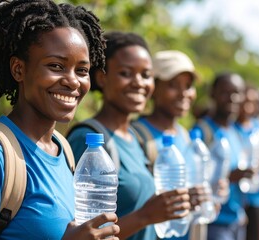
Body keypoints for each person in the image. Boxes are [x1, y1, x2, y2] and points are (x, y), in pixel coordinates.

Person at [0, 1, 120, 239]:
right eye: (56, 66)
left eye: (82, 70)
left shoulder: (64, 151)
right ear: (18, 69)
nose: (73, 81)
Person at [66, 31, 191, 240]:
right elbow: (83, 234)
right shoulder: (88, 140)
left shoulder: (137, 137)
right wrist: (144, 216)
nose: (139, 83)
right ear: (102, 78)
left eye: (146, 75)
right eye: (126, 73)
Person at [131, 50, 212, 240]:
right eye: (173, 85)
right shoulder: (136, 135)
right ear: (153, 87)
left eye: (189, 86)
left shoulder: (185, 136)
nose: (184, 93)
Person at [193, 72, 251, 240]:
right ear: (213, 94)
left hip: (236, 221)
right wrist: (228, 177)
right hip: (214, 224)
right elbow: (193, 178)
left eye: (237, 93)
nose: (232, 98)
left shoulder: (235, 131)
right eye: (225, 92)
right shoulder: (202, 133)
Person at [234, 85, 259, 240]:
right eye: (244, 100)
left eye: (252, 101)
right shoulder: (230, 128)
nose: (247, 105)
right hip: (237, 198)